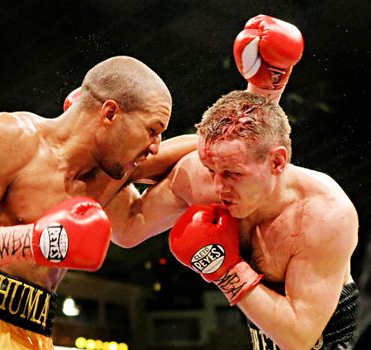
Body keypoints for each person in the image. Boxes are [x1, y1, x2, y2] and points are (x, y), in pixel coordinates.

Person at [0, 55, 197, 349]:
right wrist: (33, 241)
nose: (155, 147)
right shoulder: (12, 138)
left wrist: (240, 113)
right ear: (110, 113)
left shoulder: (112, 171)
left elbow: (204, 150)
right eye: (152, 130)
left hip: (32, 332)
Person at [107, 15, 360, 349]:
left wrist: (225, 268)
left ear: (278, 162)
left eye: (232, 174)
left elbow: (298, 338)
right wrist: (106, 157)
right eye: (211, 168)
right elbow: (127, 228)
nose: (219, 185)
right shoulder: (206, 176)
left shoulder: (323, 213)